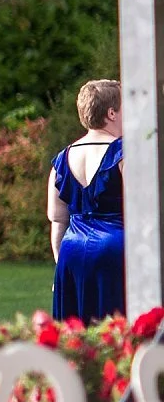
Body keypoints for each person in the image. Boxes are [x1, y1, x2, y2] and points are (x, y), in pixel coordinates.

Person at [50, 78, 125, 324]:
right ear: (112, 113)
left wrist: (62, 267)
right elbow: (141, 211)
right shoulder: (124, 153)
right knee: (116, 334)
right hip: (115, 248)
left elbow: (57, 219)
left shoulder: (63, 157)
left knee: (76, 337)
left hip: (71, 250)